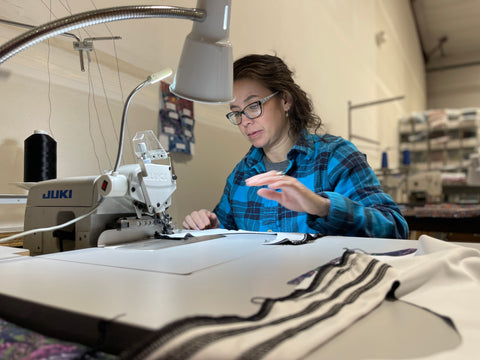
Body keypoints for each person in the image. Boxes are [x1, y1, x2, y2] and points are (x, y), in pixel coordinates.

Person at [183, 54, 409, 239]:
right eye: (236, 112)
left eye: (253, 105)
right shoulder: (240, 176)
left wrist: (323, 207)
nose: (244, 121)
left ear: (285, 101)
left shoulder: (336, 158)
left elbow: (395, 230)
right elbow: (226, 234)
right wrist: (211, 229)